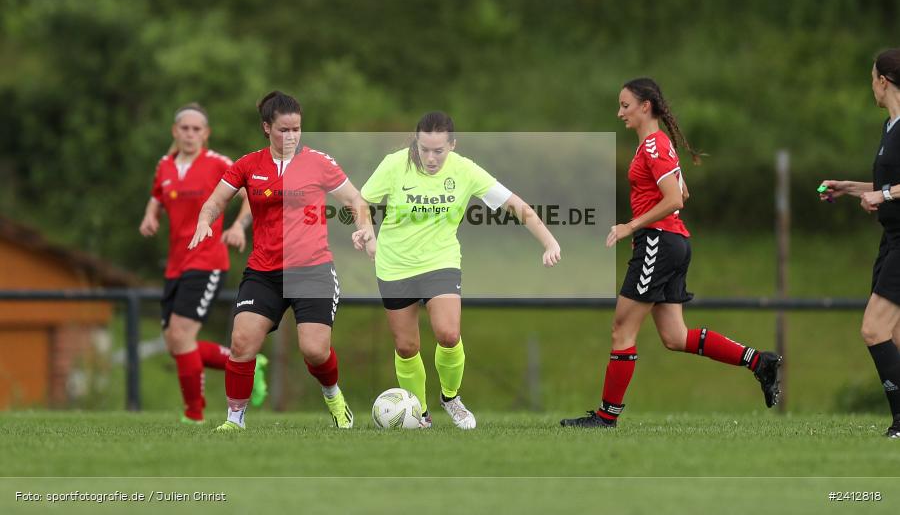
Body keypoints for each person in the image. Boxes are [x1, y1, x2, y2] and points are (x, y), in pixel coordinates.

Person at [561, 78, 782, 428]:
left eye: (625, 105)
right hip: (671, 242)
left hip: (658, 243)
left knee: (622, 328)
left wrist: (630, 226)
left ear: (645, 106)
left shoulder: (652, 146)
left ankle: (605, 418)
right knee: (675, 337)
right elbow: (682, 192)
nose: (620, 113)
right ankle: (759, 362)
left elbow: (676, 199)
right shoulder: (655, 146)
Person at [352, 111, 561, 429]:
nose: (431, 158)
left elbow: (516, 205)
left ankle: (451, 398)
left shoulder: (465, 170)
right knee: (406, 346)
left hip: (441, 262)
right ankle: (418, 413)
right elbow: (361, 201)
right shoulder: (395, 164)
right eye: (424, 149)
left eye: (438, 150)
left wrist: (549, 242)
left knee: (448, 334)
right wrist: (367, 233)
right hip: (394, 264)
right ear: (416, 143)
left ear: (452, 145)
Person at [189, 91, 372, 431]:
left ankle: (333, 395)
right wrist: (204, 220)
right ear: (266, 128)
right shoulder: (248, 165)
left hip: (312, 271)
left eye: (296, 129)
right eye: (283, 130)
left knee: (315, 351)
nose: (291, 137)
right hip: (264, 271)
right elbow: (216, 201)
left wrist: (366, 229)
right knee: (242, 343)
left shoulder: (318, 161)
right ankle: (235, 420)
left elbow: (354, 199)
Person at [139, 103, 257, 424]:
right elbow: (156, 196)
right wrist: (151, 216)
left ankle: (194, 414)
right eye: (184, 128)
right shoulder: (164, 165)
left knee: (181, 335)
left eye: (196, 129)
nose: (190, 134)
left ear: (206, 134)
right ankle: (246, 363)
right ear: (174, 132)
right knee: (176, 343)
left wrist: (237, 226)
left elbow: (250, 193)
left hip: (207, 261)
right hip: (175, 265)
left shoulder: (218, 163)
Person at [818, 48, 900, 439]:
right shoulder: (890, 127)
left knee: (874, 329)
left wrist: (883, 198)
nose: (871, 85)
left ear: (883, 81)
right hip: (891, 240)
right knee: (897, 337)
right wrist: (850, 188)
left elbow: (889, 192)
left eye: (872, 78)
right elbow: (887, 187)